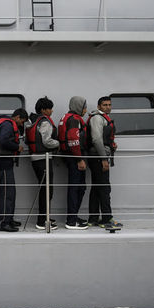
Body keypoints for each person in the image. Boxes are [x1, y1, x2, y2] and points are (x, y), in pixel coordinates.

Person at [87, 96, 123, 229]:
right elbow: (96, 139)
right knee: (104, 188)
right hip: (98, 157)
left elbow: (103, 138)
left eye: (109, 104)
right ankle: (107, 219)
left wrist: (111, 145)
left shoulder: (102, 118)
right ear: (99, 107)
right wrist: (103, 159)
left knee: (97, 188)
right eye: (104, 105)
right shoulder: (97, 118)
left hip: (98, 156)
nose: (108, 107)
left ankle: (93, 218)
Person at [0, 108, 28, 232]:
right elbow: (3, 140)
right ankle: (3, 223)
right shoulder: (7, 125)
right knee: (7, 192)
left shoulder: (5, 123)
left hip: (4, 162)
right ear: (17, 117)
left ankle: (8, 219)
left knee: (10, 191)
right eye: (21, 121)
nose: (21, 124)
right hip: (3, 162)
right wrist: (17, 147)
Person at [27, 96, 59, 230]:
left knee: (45, 189)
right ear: (43, 110)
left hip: (37, 158)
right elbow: (47, 141)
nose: (51, 111)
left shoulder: (33, 120)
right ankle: (42, 220)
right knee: (47, 190)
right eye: (49, 108)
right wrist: (59, 143)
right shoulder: (44, 122)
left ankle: (44, 216)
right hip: (43, 159)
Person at [58, 96, 89, 230]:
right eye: (84, 107)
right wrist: (79, 159)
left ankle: (74, 216)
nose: (86, 110)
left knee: (79, 188)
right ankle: (71, 220)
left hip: (71, 156)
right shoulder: (74, 120)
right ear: (78, 106)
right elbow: (73, 140)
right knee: (76, 188)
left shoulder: (68, 117)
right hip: (75, 157)